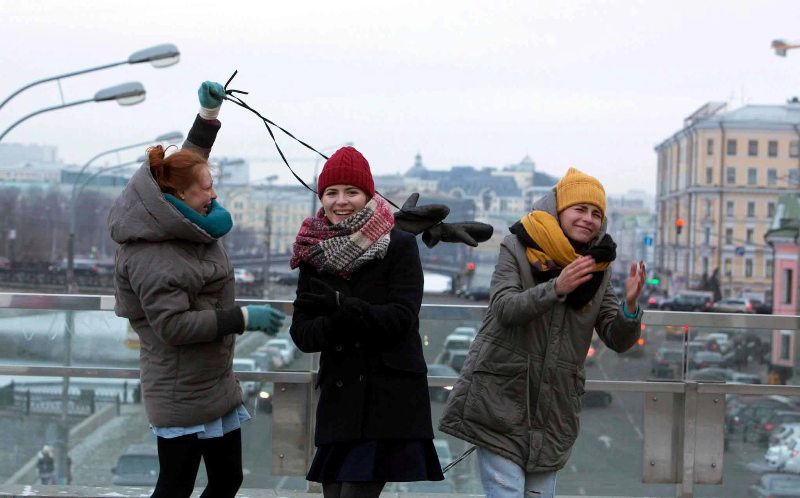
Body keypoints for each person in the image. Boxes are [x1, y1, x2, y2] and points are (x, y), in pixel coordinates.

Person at [108, 81, 286, 498]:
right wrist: (242, 318)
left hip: (210, 379)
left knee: (227, 481)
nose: (214, 193)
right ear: (180, 197)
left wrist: (207, 117)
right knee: (176, 486)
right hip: (179, 387)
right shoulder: (156, 250)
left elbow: (190, 164)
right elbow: (172, 326)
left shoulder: (177, 215)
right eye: (206, 188)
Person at [439, 167, 646, 498]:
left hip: (554, 404)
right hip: (501, 394)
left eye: (596, 213)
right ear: (559, 210)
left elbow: (617, 338)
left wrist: (631, 306)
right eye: (580, 209)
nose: (588, 219)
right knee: (506, 492)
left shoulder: (599, 269)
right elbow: (505, 308)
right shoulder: (517, 247)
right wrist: (557, 287)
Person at [289, 146, 444, 498]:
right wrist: (335, 322)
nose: (340, 201)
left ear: (368, 195)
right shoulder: (311, 252)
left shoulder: (400, 245)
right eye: (331, 192)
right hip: (339, 402)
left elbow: (402, 319)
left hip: (387, 399)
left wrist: (343, 307)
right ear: (321, 197)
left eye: (351, 192)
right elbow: (302, 333)